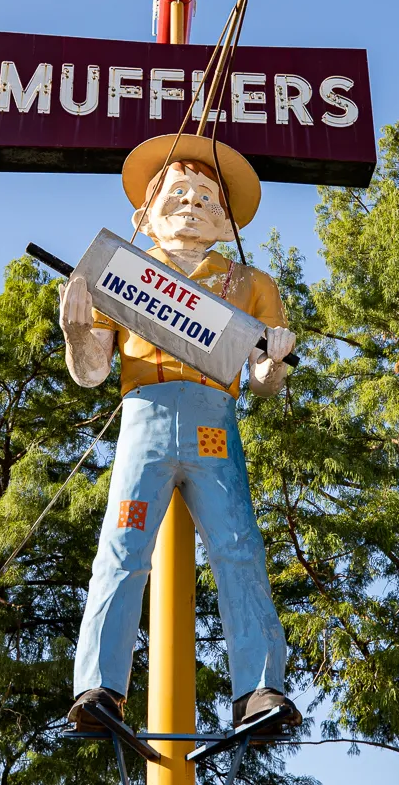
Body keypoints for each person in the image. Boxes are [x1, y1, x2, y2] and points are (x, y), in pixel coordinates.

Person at [59, 133, 300, 733]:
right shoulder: (122, 274)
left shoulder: (251, 283)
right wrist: (76, 333)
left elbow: (266, 380)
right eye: (177, 191)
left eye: (205, 196)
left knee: (239, 548)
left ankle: (260, 688)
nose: (191, 203)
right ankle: (99, 688)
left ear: (224, 220)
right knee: (121, 546)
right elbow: (93, 372)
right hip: (142, 418)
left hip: (214, 426)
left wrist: (276, 364)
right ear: (144, 213)